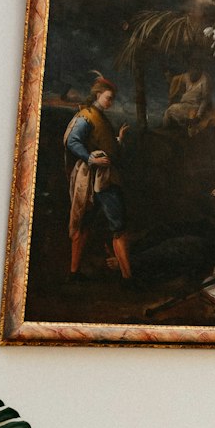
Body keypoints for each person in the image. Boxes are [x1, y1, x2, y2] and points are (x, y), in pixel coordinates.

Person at [64, 74, 131, 278]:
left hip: (104, 177)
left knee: (100, 224)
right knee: (115, 226)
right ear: (98, 94)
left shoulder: (100, 116)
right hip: (96, 179)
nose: (110, 102)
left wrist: (118, 139)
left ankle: (125, 276)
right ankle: (128, 278)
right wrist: (91, 158)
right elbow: (72, 141)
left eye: (112, 99)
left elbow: (105, 145)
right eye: (108, 97)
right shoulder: (87, 115)